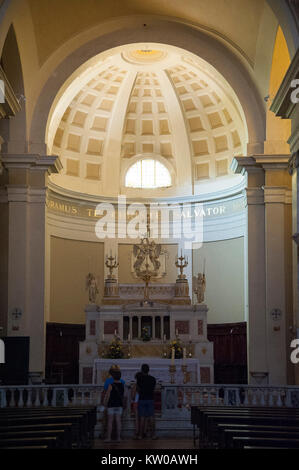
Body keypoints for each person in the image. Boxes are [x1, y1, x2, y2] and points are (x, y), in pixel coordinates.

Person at [103, 369, 125, 443]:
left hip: (111, 405)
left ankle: (109, 438)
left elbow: (107, 395)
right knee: (118, 421)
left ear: (113, 377)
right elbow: (124, 396)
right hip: (119, 405)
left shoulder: (111, 385)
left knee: (110, 421)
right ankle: (118, 438)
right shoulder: (122, 385)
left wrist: (105, 403)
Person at [136, 363, 157, 439]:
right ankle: (153, 435)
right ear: (148, 370)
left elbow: (138, 389)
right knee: (151, 417)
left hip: (142, 399)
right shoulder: (153, 379)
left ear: (142, 370)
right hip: (150, 398)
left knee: (142, 417)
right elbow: (154, 389)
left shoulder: (139, 379)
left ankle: (140, 435)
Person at [132, 371, 142, 439]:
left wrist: (133, 398)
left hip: (136, 402)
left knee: (137, 419)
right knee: (142, 418)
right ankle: (142, 433)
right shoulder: (144, 384)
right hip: (142, 402)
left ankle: (137, 432)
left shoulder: (135, 385)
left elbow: (133, 395)